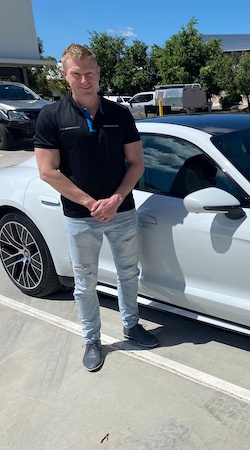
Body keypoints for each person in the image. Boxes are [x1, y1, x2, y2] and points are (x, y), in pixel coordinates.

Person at [34, 44, 159, 372]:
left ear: (99, 72)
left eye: (90, 73)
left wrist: (116, 199)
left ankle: (132, 326)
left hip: (123, 210)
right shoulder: (51, 116)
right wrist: (91, 203)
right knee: (85, 281)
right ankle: (92, 340)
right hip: (80, 217)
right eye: (77, 74)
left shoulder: (119, 114)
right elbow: (47, 171)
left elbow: (136, 164)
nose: (85, 79)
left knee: (129, 273)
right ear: (65, 75)